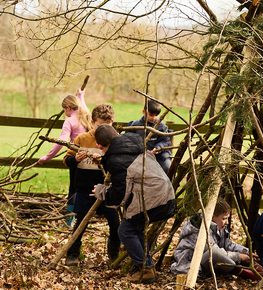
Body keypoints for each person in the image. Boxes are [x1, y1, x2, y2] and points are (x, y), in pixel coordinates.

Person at [92, 125, 176, 284]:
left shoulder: (117, 160)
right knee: (134, 228)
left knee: (125, 231)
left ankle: (146, 269)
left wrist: (102, 191)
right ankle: (147, 267)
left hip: (154, 199)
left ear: (100, 145)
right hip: (164, 194)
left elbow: (119, 195)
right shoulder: (133, 145)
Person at [62, 104, 120, 266]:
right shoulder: (82, 139)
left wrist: (104, 160)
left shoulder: (115, 139)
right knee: (81, 223)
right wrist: (76, 159)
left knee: (115, 223)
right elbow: (67, 159)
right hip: (85, 188)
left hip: (108, 189)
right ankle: (72, 254)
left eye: (107, 126)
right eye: (100, 126)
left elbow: (119, 164)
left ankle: (113, 254)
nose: (103, 130)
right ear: (93, 122)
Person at [171, 199, 263, 280]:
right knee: (215, 253)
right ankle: (243, 272)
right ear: (212, 217)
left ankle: (250, 268)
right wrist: (239, 256)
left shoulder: (218, 227)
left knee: (225, 256)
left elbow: (228, 245)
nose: (227, 222)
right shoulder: (201, 229)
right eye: (224, 218)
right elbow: (213, 252)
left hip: (206, 262)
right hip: (189, 265)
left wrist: (246, 252)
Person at [38, 89, 92, 224]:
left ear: (68, 107)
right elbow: (84, 107)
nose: (64, 113)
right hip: (92, 157)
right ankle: (87, 216)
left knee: (73, 189)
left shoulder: (69, 121)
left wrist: (47, 157)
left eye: (64, 109)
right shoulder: (86, 116)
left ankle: (70, 220)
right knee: (88, 187)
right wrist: (81, 96)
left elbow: (61, 142)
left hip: (76, 158)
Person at [127, 100, 173, 174]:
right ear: (144, 111)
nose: (154, 118)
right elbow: (128, 141)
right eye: (151, 115)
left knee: (167, 166)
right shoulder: (135, 125)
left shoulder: (162, 127)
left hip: (159, 156)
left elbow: (165, 141)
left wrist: (158, 148)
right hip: (139, 156)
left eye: (156, 115)